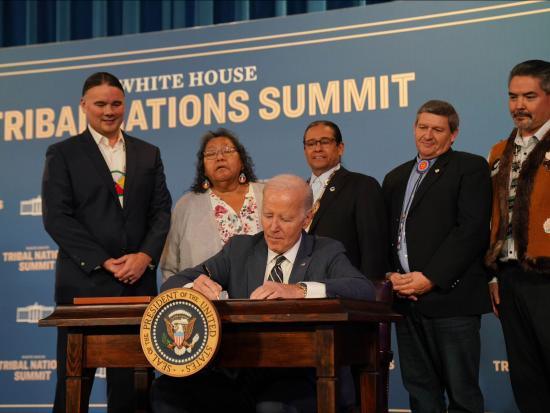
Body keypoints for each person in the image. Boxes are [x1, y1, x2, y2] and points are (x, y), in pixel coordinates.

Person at [153, 174, 375, 413]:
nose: (273, 227)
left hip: (303, 378)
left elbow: (363, 289)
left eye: (286, 219)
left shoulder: (326, 251)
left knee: (271, 407)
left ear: (307, 218)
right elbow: (174, 283)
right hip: (239, 376)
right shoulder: (240, 249)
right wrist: (194, 288)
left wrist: (299, 290)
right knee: (166, 392)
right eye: (267, 216)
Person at [42, 72, 172, 413]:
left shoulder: (148, 153)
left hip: (137, 288)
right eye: (100, 104)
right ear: (84, 106)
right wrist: (103, 260)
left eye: (116, 103)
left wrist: (144, 256)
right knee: (73, 392)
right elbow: (57, 218)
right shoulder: (63, 154)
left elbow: (161, 212)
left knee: (133, 392)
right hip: (83, 287)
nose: (109, 111)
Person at [382, 100, 492, 413]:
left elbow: (470, 231)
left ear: (453, 135)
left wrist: (430, 278)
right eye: (422, 127)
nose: (428, 135)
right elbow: (386, 236)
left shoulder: (469, 168)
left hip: (451, 299)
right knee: (421, 393)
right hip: (405, 300)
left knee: (462, 395)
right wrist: (391, 276)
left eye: (438, 129)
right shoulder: (394, 178)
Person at [485, 60, 550, 413]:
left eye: (529, 96)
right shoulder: (499, 151)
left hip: (547, 275)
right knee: (525, 378)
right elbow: (493, 217)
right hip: (509, 279)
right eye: (512, 97)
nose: (518, 105)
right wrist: (493, 274)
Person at [160, 128, 263, 282]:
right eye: (211, 153)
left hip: (267, 296)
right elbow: (170, 267)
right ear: (204, 169)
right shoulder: (186, 205)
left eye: (227, 151)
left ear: (242, 161)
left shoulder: (267, 194)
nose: (220, 157)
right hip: (207, 301)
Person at [302, 120, 388, 279]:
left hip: (345, 288)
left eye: (325, 142)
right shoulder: (298, 191)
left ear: (340, 148)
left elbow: (373, 250)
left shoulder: (362, 186)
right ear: (305, 150)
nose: (317, 148)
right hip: (301, 289)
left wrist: (368, 292)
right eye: (311, 143)